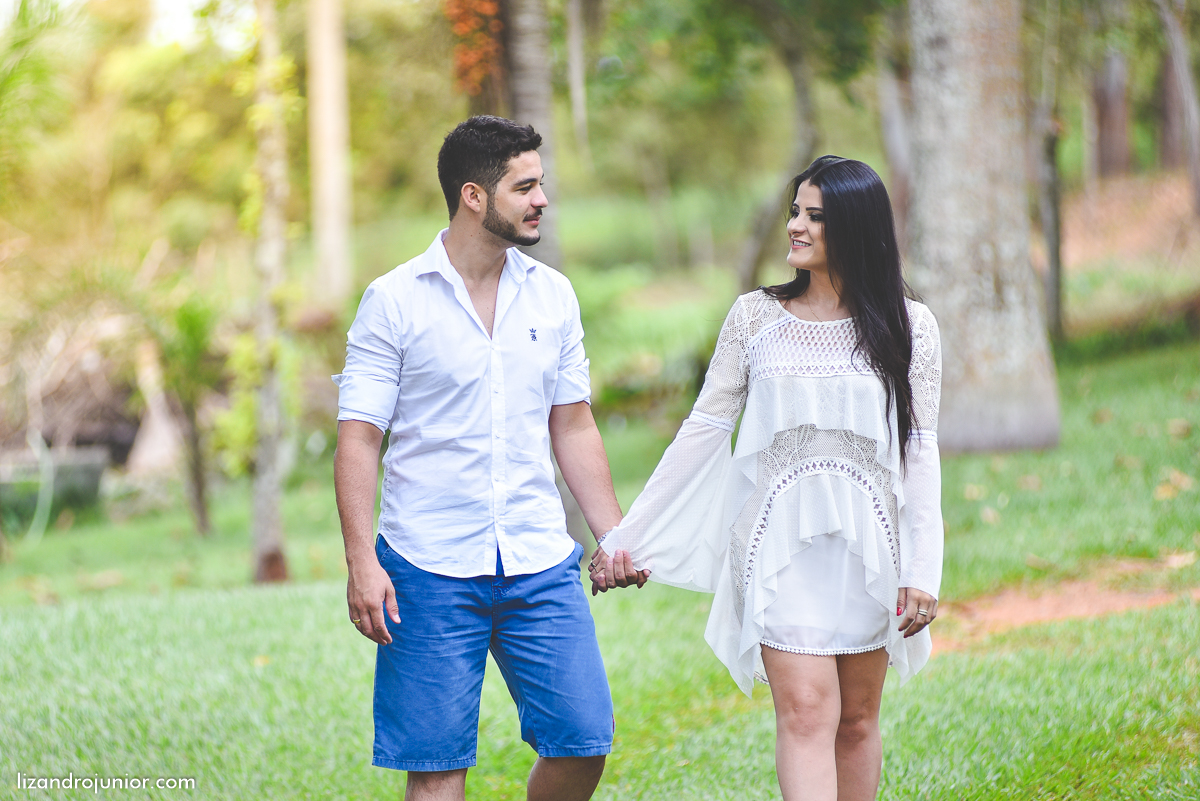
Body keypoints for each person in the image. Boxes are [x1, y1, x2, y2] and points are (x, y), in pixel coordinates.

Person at [590, 155, 944, 800]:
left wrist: (925, 567)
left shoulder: (910, 325)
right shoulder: (755, 319)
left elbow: (919, 447)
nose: (795, 227)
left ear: (858, 229)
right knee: (808, 712)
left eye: (815, 216)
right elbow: (703, 430)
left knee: (859, 721)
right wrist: (626, 535)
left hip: (872, 550)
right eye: (794, 211)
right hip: (778, 547)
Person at [333, 115, 636, 801]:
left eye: (541, 183)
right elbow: (358, 439)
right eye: (525, 186)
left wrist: (613, 532)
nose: (542, 199)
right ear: (475, 195)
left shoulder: (552, 295)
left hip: (536, 558)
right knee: (438, 767)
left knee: (584, 738)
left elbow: (575, 425)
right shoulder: (394, 300)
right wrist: (362, 561)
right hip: (427, 565)